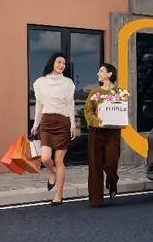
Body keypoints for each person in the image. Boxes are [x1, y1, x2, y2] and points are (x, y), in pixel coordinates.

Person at [31, 52, 77, 206]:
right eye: (59, 62)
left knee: (59, 160)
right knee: (45, 158)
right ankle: (53, 173)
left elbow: (71, 104)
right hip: (47, 122)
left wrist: (73, 124)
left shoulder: (68, 83)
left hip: (63, 122)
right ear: (52, 63)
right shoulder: (40, 82)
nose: (62, 65)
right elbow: (39, 105)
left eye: (64, 63)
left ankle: (59, 195)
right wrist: (35, 125)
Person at [84, 63, 125, 207]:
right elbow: (88, 111)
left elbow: (122, 111)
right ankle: (96, 200)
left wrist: (122, 121)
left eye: (101, 71)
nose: (98, 74)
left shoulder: (120, 92)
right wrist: (97, 122)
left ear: (109, 74)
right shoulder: (94, 92)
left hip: (113, 132)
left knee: (112, 161)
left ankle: (112, 181)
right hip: (97, 131)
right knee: (95, 164)